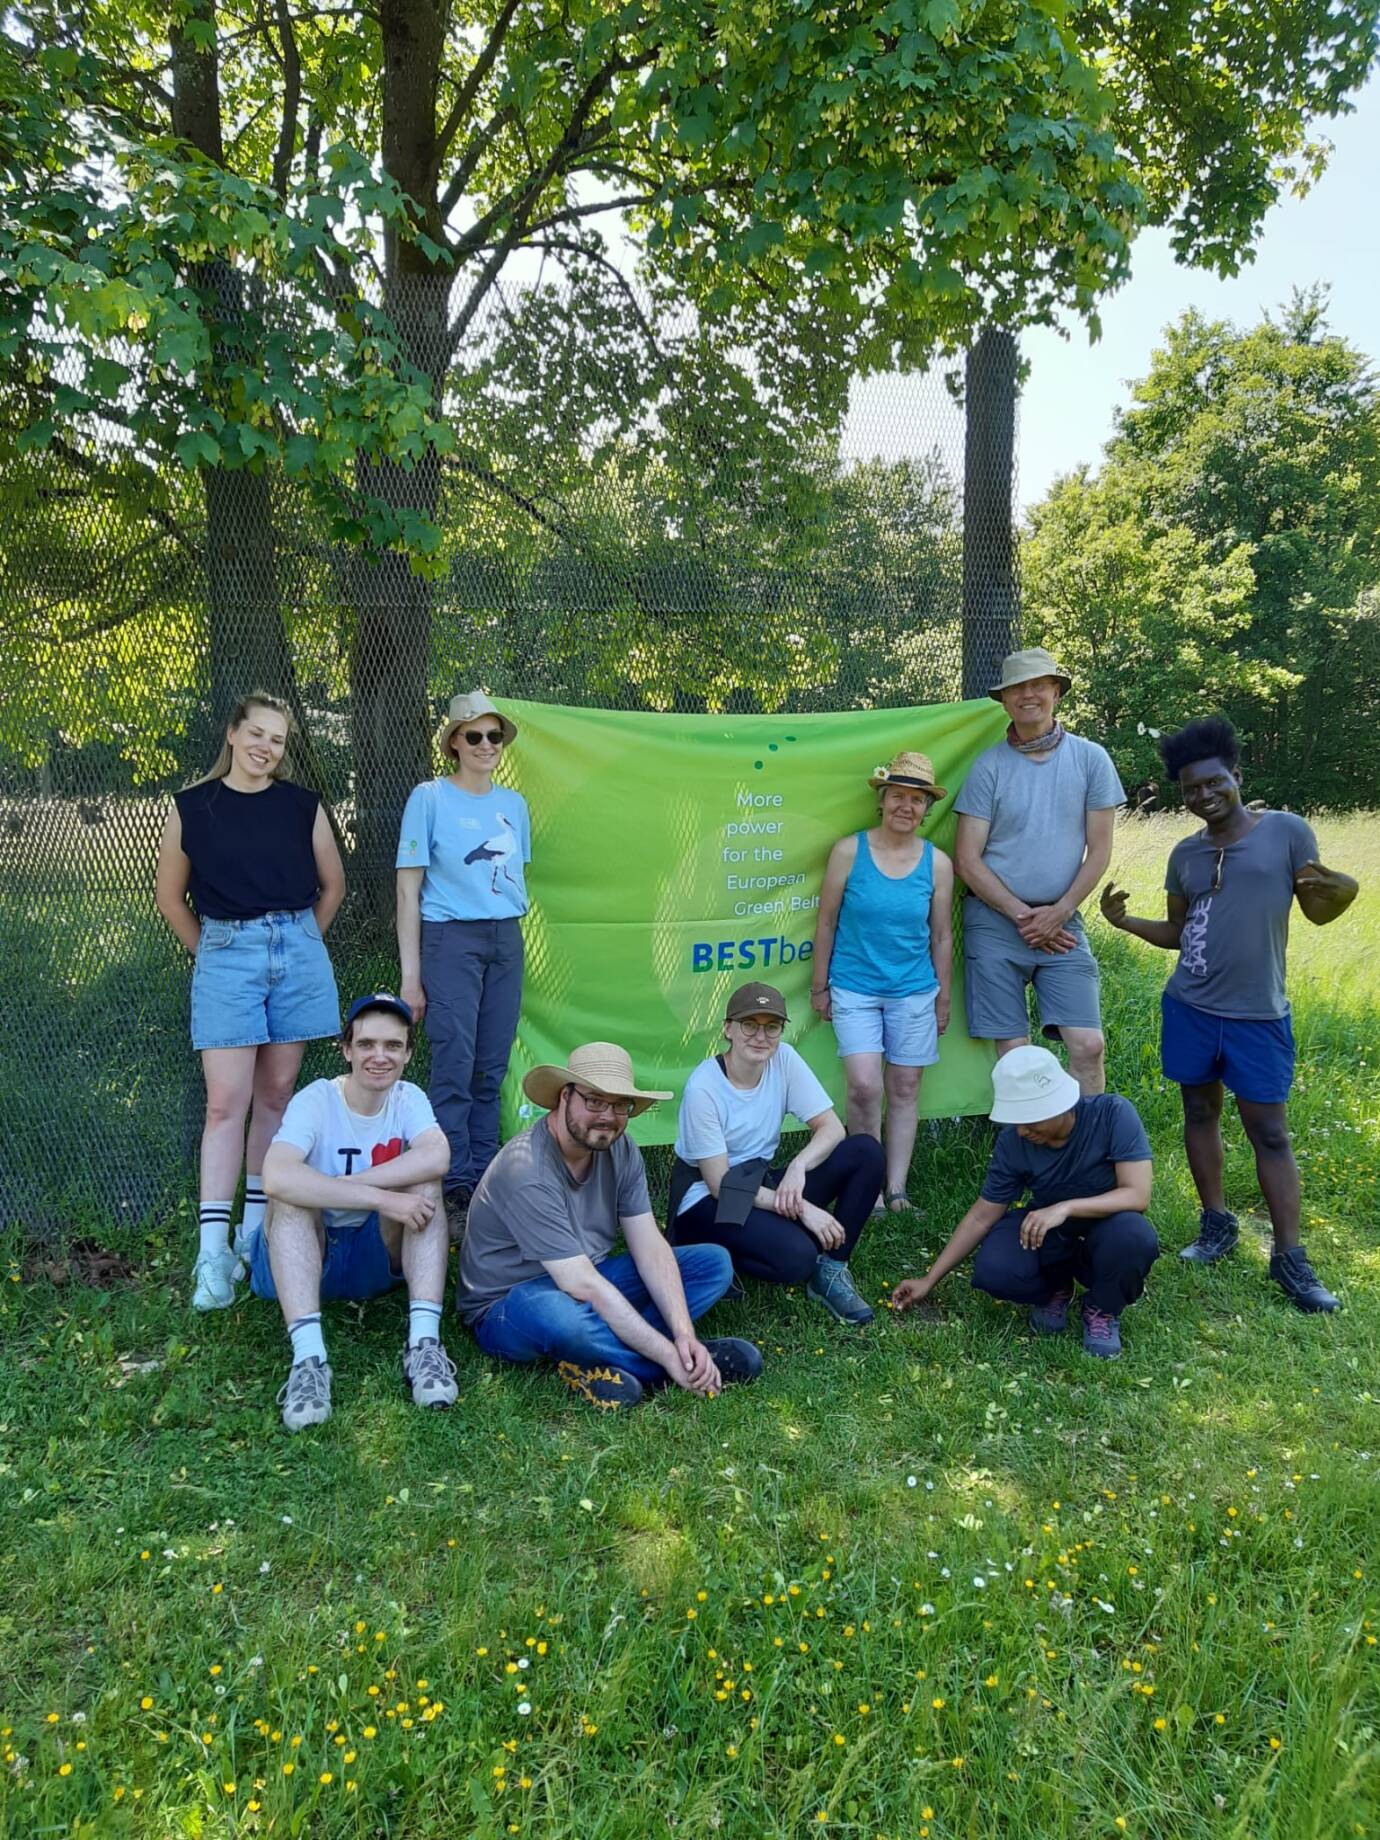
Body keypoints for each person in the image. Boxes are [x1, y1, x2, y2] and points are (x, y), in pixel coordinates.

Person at [1100, 715, 1359, 1311]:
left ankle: (1290, 1259)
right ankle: (1216, 1224)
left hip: (1258, 1014)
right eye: (1192, 789)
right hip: (1190, 1007)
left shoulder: (1287, 833)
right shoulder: (1185, 855)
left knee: (1270, 1131)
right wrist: (1123, 922)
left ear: (1237, 776)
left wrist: (1343, 893)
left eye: (1214, 783)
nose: (1204, 796)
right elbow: (1177, 931)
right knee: (1199, 1110)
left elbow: (1317, 911)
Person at [155, 691, 345, 1312]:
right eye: (257, 734)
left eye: (279, 740)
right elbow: (171, 899)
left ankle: (255, 1235)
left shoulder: (302, 807)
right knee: (224, 1104)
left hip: (296, 951)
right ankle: (213, 1254)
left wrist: (298, 946)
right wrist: (215, 955)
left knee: (274, 1097)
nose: (267, 748)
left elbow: (332, 884)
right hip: (225, 956)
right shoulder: (192, 808)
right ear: (233, 734)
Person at [457, 1041, 762, 1410]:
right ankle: (668, 1367)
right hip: (510, 1304)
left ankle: (621, 1360)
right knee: (564, 1320)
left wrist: (683, 1333)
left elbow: (649, 1244)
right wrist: (668, 1354)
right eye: (595, 1101)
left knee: (713, 1263)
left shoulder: (622, 1148)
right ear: (564, 1096)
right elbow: (581, 1284)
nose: (608, 1116)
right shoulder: (527, 1169)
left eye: (621, 1105)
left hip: (590, 1277)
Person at [256, 992, 458, 1431]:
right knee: (289, 1196)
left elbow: (437, 1156)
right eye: (366, 1044)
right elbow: (275, 1176)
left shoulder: (408, 1098)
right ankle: (309, 1362)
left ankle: (424, 1346)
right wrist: (382, 1197)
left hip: (371, 1255)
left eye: (392, 1045)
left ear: (407, 1053)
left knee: (424, 1185)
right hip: (306, 1253)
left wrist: (335, 1188)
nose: (379, 1056)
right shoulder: (317, 1099)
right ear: (347, 1049)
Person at [891, 1046, 1157, 1358]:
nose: (1022, 1131)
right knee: (995, 1269)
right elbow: (981, 1216)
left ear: (1060, 1105)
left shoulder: (1113, 1113)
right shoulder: (1013, 1141)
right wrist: (930, 1279)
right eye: (1015, 1120)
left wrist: (1065, 1207)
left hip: (1108, 1226)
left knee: (1134, 1237)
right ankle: (1055, 1289)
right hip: (1053, 1234)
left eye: (1030, 1120)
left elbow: (1137, 1195)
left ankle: (1102, 1308)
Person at [955, 647, 1124, 1095]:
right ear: (1005, 700)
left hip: (1063, 923)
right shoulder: (987, 767)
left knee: (1088, 1046)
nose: (1028, 695)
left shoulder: (1091, 759)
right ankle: (1027, 1150)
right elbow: (967, 859)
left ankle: (1085, 1145)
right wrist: (1022, 915)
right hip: (994, 922)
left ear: (1056, 692)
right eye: (1017, 688)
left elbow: (1100, 850)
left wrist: (1059, 911)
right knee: (1016, 1057)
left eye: (1038, 686)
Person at [669, 982, 885, 1324]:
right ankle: (711, 1251)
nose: (761, 1036)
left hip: (758, 1180)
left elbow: (831, 1127)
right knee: (798, 1257)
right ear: (728, 1029)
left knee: (865, 1152)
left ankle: (832, 1270)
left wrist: (798, 1167)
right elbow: (719, 1184)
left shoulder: (783, 1059)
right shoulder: (704, 1087)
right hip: (706, 1199)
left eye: (771, 1026)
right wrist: (803, 1210)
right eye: (749, 1025)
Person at [396, 690, 530, 1232]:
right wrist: (412, 977)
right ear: (453, 741)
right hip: (449, 938)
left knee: (491, 1065)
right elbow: (408, 892)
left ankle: (485, 1181)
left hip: (506, 939)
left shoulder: (514, 806)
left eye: (493, 736)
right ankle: (453, 1184)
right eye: (473, 735)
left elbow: (513, 878)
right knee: (455, 1062)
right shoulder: (428, 798)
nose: (485, 744)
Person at [810, 752, 954, 1212]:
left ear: (926, 808)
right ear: (882, 800)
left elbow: (941, 934)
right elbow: (827, 922)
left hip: (914, 991)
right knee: (865, 1086)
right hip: (854, 987)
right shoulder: (848, 851)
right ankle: (865, 1186)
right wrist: (819, 986)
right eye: (898, 796)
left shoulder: (938, 864)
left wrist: (943, 998)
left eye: (916, 800)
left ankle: (896, 1189)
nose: (906, 807)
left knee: (906, 1088)